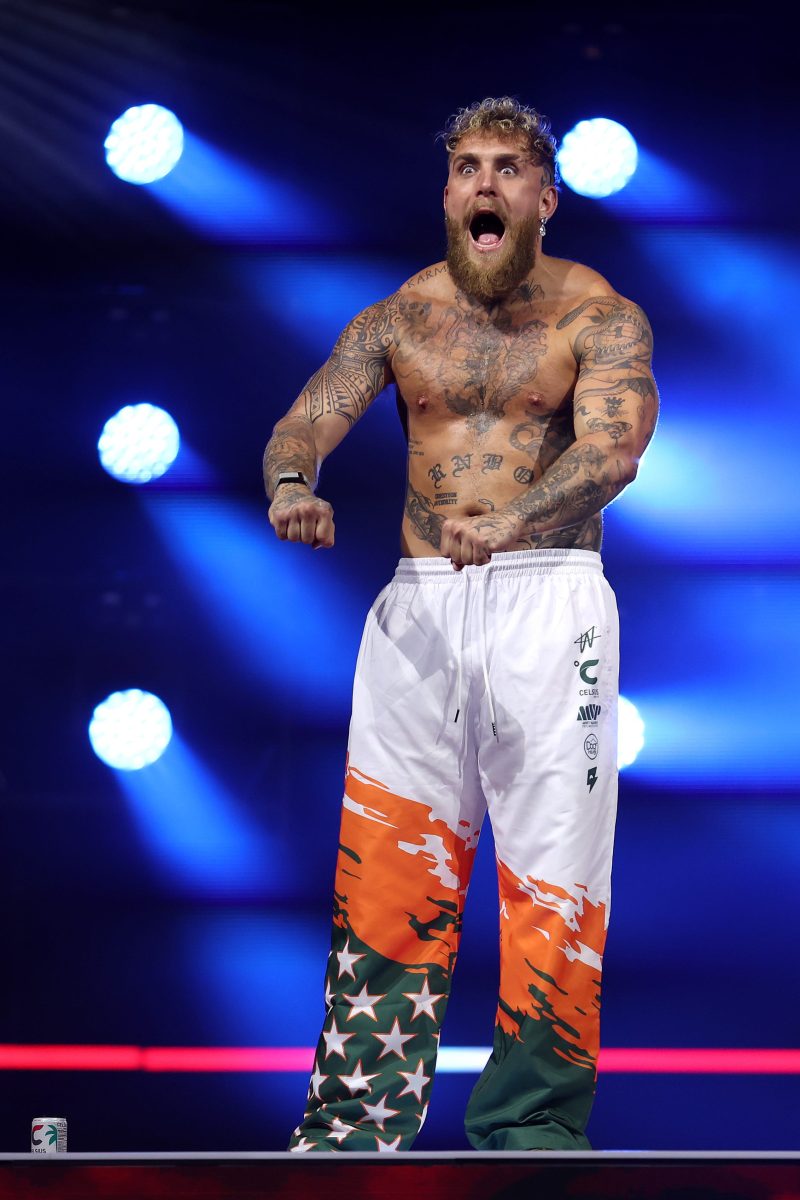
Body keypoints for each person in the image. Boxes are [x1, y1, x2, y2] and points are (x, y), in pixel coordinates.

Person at [263, 96, 658, 1152]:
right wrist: (293, 483)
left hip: (549, 597)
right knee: (388, 864)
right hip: (423, 603)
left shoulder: (598, 316)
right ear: (446, 192)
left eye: (508, 168)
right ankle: (356, 1128)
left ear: (545, 197)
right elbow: (307, 416)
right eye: (468, 166)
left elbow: (612, 451)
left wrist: (515, 520)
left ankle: (530, 1131)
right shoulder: (395, 319)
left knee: (555, 870)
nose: (486, 183)